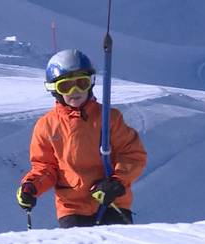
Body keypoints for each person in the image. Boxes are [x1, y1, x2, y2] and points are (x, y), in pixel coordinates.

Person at [16, 49, 147, 228]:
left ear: (91, 84)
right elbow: (45, 167)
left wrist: (116, 182)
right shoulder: (46, 125)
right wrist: (31, 187)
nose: (75, 91)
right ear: (55, 90)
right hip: (72, 206)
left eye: (81, 83)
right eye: (66, 86)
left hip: (110, 200)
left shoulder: (109, 117)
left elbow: (132, 155)